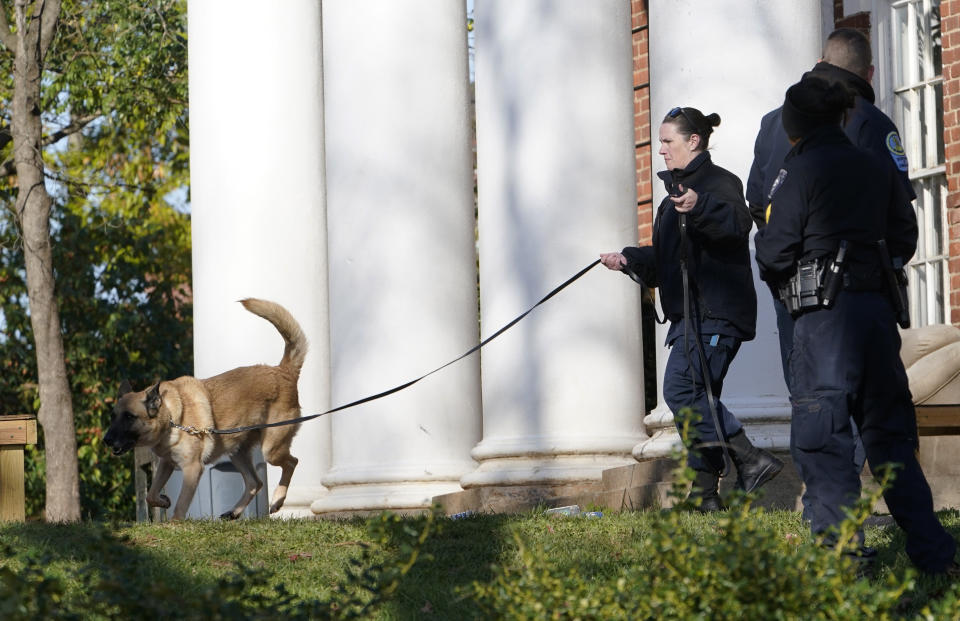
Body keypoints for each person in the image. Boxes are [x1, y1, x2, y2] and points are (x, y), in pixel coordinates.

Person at [754, 76, 958, 575]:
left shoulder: (797, 170)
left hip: (824, 322)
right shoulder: (873, 165)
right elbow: (904, 235)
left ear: (793, 124)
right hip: (876, 314)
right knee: (891, 440)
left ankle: (847, 559)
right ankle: (935, 557)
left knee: (824, 441)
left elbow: (774, 250)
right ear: (844, 116)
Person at [601, 106, 782, 512]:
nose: (660, 150)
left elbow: (736, 225)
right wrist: (630, 260)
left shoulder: (718, 184)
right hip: (691, 317)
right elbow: (672, 260)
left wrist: (701, 206)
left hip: (715, 314)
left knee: (683, 392)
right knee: (700, 400)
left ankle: (750, 459)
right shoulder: (675, 196)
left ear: (693, 141)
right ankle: (704, 497)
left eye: (667, 141)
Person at [748, 27, 915, 389]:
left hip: (792, 287)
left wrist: (785, 258)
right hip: (855, 289)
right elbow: (900, 221)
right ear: (869, 74)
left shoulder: (772, 121)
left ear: (820, 62)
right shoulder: (872, 122)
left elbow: (757, 203)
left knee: (807, 400)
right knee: (860, 402)